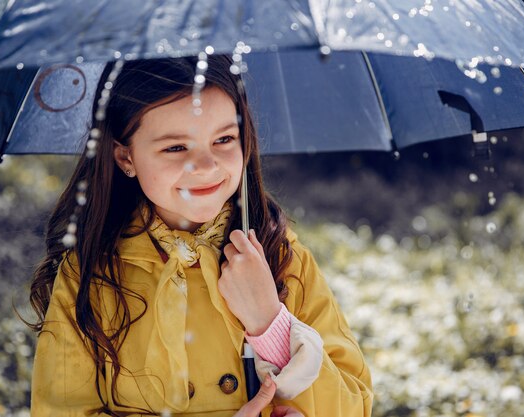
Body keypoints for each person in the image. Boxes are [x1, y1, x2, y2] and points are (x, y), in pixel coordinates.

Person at [29, 54, 372, 417]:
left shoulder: (280, 256)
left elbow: (351, 405)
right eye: (176, 147)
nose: (207, 166)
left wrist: (269, 322)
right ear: (125, 157)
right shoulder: (90, 274)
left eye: (224, 139)